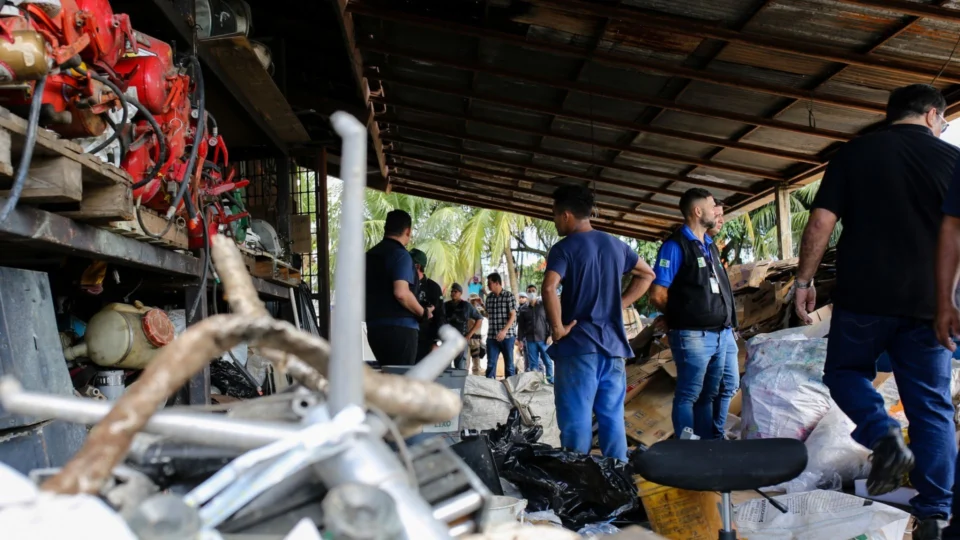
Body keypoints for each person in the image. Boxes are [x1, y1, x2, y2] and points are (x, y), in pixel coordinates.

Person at [796, 84, 957, 539]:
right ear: (930, 115)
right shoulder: (953, 161)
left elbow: (821, 222)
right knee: (931, 406)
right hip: (933, 303)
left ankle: (882, 432)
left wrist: (804, 283)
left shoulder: (854, 154)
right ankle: (935, 513)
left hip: (864, 297)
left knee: (845, 372)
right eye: (943, 121)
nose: (943, 128)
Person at [543, 185, 655, 461]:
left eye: (555, 215)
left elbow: (549, 288)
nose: (555, 220)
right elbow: (647, 274)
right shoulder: (616, 245)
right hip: (614, 348)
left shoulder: (564, 249)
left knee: (576, 424)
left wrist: (558, 329)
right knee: (612, 420)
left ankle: (576, 486)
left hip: (579, 347)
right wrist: (620, 303)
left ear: (567, 215)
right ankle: (619, 479)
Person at [648, 188, 736, 440]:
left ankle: (707, 447)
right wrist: (680, 316)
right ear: (698, 212)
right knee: (689, 394)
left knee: (708, 394)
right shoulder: (675, 246)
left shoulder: (710, 246)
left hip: (718, 334)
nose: (716, 212)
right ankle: (687, 447)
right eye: (711, 207)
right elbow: (657, 294)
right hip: (693, 336)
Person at [365, 210, 433, 366]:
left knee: (387, 377)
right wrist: (423, 313)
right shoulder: (400, 255)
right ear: (408, 231)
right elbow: (401, 293)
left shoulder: (369, 256)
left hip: (374, 328)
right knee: (401, 381)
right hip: (400, 329)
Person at [706, 199, 739, 439]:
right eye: (716, 215)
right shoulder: (683, 246)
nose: (721, 220)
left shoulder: (712, 248)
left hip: (725, 329)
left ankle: (715, 433)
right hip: (705, 331)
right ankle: (706, 437)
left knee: (730, 384)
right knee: (703, 390)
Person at [410, 248, 446, 362]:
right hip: (407, 338)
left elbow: (440, 316)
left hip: (426, 341)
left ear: (417, 266)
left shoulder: (433, 288)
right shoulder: (404, 285)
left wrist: (437, 342)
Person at [485, 273, 518, 379]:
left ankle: (510, 390)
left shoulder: (509, 296)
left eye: (489, 283)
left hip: (507, 336)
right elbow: (488, 315)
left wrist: (504, 331)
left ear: (497, 283)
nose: (487, 285)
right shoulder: (489, 298)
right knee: (490, 365)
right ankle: (491, 390)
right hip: (492, 336)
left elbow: (513, 316)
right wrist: (481, 306)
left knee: (509, 366)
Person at [444, 283, 483, 370]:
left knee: (461, 368)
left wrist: (469, 335)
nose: (453, 293)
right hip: (447, 340)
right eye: (452, 291)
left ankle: (460, 383)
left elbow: (479, 319)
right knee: (446, 368)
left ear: (460, 293)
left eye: (456, 291)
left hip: (461, 339)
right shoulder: (445, 305)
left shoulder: (466, 306)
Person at [518, 291, 554, 384]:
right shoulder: (523, 309)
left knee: (548, 361)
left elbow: (550, 321)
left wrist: (550, 335)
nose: (531, 293)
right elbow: (521, 326)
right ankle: (537, 382)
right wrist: (520, 340)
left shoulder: (543, 305)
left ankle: (550, 380)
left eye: (533, 291)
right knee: (533, 363)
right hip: (530, 340)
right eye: (529, 291)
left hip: (544, 339)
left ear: (536, 292)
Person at [468, 293, 487, 375]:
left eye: (475, 300)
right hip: (467, 338)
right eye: (472, 300)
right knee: (465, 363)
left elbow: (489, 314)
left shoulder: (479, 311)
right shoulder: (466, 309)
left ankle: (476, 381)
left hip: (476, 339)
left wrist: (482, 304)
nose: (474, 302)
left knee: (476, 363)